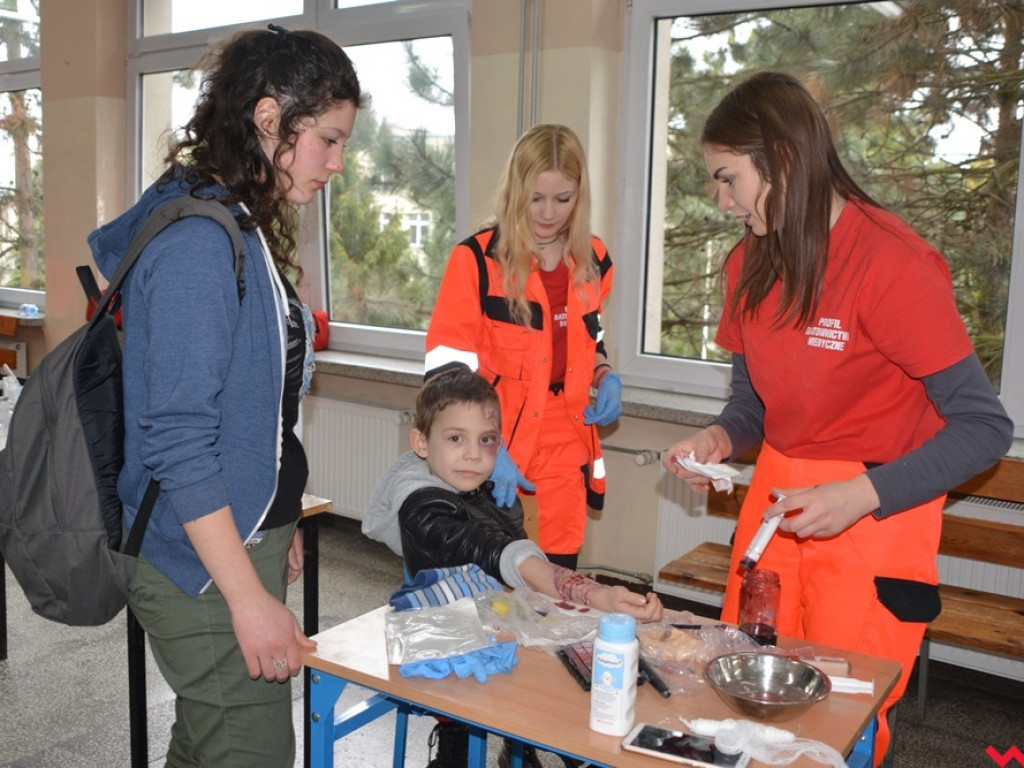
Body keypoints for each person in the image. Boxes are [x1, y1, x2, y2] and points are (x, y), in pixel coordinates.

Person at [662, 71, 1013, 765]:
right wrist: (720, 437)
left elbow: (984, 428)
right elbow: (753, 404)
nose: (721, 200)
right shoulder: (748, 262)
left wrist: (861, 495)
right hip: (778, 510)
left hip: (874, 512)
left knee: (841, 719)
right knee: (748, 698)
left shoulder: (893, 263)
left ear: (783, 160)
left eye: (729, 179)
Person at [88, 25, 364, 767]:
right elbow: (178, 441)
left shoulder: (237, 222)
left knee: (207, 744)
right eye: (328, 140)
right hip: (199, 564)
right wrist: (247, 595)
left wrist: (275, 513)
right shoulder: (198, 244)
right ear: (269, 119)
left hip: (236, 539)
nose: (337, 164)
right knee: (251, 751)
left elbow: (253, 406)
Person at [363, 367, 662, 768]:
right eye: (456, 438)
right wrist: (596, 594)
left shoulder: (483, 487)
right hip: (446, 645)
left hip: (494, 618)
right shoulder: (422, 508)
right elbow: (497, 553)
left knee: (583, 658)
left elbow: (515, 572)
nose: (474, 454)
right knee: (558, 681)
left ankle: (526, 748)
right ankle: (460, 751)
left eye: (486, 440)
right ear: (421, 442)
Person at [425, 123, 622, 572]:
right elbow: (445, 374)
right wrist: (487, 448)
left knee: (557, 578)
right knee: (492, 579)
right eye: (536, 198)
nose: (548, 213)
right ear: (516, 192)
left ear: (580, 195)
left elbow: (591, 335)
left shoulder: (594, 259)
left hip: (566, 440)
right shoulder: (476, 261)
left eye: (563, 199)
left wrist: (604, 373)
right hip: (497, 439)